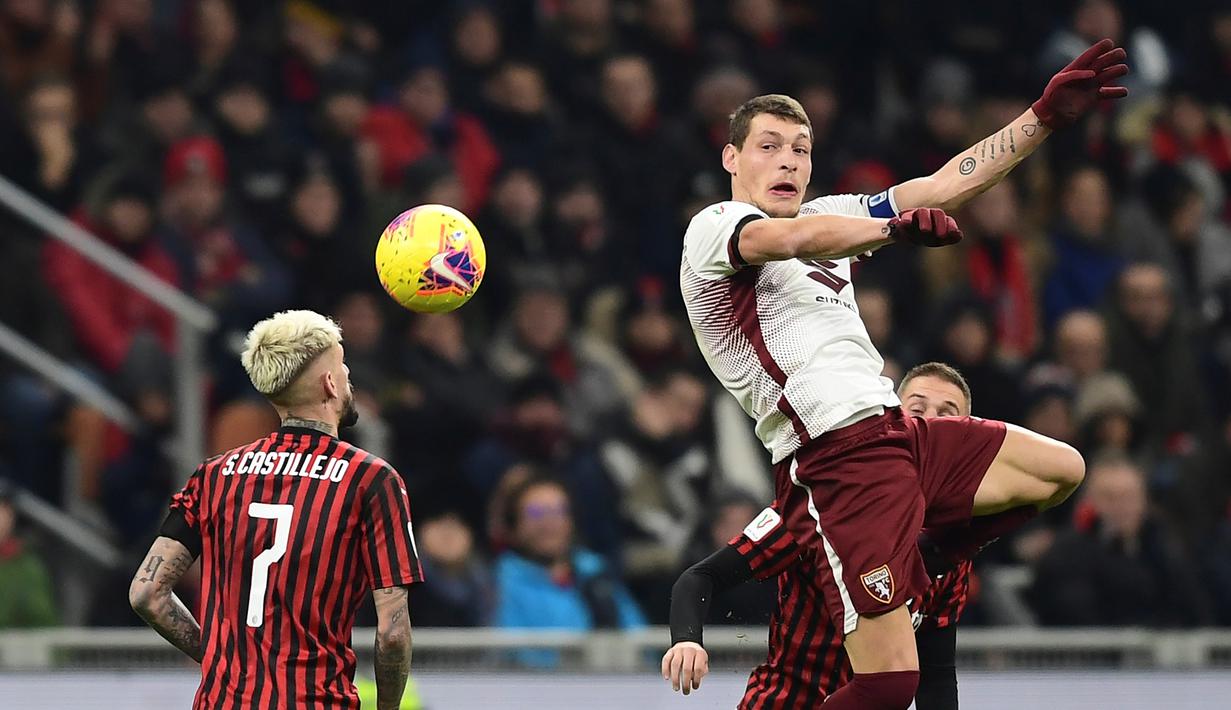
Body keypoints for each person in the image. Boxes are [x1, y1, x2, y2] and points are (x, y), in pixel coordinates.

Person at [678, 40, 1128, 708]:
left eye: (800, 149)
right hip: (835, 456)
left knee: (1059, 469)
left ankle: (929, 554)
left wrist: (1041, 119)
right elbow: (791, 239)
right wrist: (891, 234)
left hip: (900, 436)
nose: (787, 161)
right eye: (769, 146)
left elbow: (947, 185)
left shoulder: (830, 215)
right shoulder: (715, 228)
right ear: (731, 159)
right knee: (890, 686)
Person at [128, 310, 423, 710]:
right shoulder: (370, 480)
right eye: (343, 365)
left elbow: (148, 594)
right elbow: (392, 633)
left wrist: (215, 659)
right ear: (330, 382)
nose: (348, 375)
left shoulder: (214, 476)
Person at [663, 363, 985, 709]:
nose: (928, 421)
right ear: (893, 419)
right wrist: (687, 641)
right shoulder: (821, 505)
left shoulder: (950, 547)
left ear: (964, 439)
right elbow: (700, 578)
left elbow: (935, 678)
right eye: (917, 409)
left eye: (946, 414)